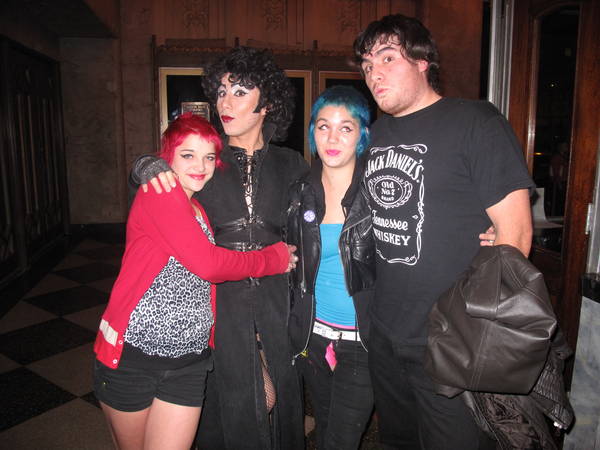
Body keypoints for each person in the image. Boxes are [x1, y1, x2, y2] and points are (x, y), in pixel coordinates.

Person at [352, 14, 534, 449]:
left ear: (423, 61)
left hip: (451, 343)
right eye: (367, 65)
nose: (374, 73)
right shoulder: (375, 135)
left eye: (387, 58)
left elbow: (516, 236)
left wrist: (476, 339)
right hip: (385, 334)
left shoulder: (475, 121)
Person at [131, 47, 308, 450]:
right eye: (222, 91)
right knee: (227, 410)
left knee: (280, 405)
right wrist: (144, 167)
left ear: (268, 103)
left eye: (240, 92)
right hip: (218, 303)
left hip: (277, 306)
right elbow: (161, 181)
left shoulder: (291, 164)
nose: (225, 103)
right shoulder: (206, 159)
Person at [93, 113, 296, 450]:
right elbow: (209, 265)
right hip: (134, 359)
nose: (200, 166)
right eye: (188, 155)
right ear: (167, 158)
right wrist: (272, 259)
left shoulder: (198, 207)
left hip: (188, 362)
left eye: (209, 157)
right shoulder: (160, 193)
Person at [286, 86, 375, 449]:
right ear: (313, 132)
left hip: (362, 343)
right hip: (313, 337)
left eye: (345, 128)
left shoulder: (379, 192)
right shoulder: (299, 192)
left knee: (341, 440)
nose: (332, 138)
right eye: (323, 126)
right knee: (324, 428)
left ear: (362, 134)